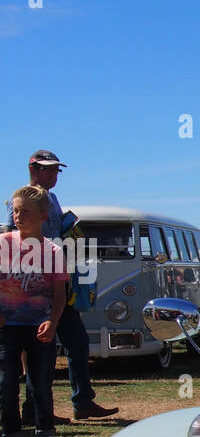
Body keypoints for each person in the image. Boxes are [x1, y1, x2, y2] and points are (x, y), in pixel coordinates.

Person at [3, 151, 117, 422]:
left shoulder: (51, 198)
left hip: (59, 276)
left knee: (76, 343)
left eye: (56, 170)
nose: (54, 174)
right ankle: (35, 411)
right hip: (34, 287)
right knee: (41, 349)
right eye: (48, 169)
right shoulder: (22, 199)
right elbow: (12, 237)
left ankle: (81, 401)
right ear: (33, 168)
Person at [0, 186, 68, 437]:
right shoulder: (3, 244)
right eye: (15, 210)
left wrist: (52, 321)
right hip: (8, 327)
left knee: (40, 384)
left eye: (25, 211)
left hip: (40, 327)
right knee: (5, 384)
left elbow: (60, 293)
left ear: (42, 216)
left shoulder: (52, 251)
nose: (18, 216)